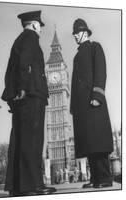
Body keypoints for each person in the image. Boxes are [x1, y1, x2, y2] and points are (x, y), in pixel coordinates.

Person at [1, 10, 56, 196]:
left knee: (20, 141)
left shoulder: (19, 40)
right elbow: (24, 63)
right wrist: (24, 88)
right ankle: (33, 186)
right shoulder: (31, 38)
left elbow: (10, 73)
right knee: (32, 141)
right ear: (33, 24)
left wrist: (13, 95)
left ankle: (17, 187)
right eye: (39, 25)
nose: (40, 29)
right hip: (32, 95)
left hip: (21, 98)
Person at [70, 18, 113, 189]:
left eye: (77, 33)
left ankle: (105, 178)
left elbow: (101, 72)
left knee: (99, 143)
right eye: (73, 33)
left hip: (94, 103)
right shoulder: (76, 56)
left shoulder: (95, 47)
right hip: (82, 107)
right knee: (89, 144)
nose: (74, 36)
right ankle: (95, 178)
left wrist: (97, 95)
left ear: (85, 33)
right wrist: (74, 106)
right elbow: (74, 83)